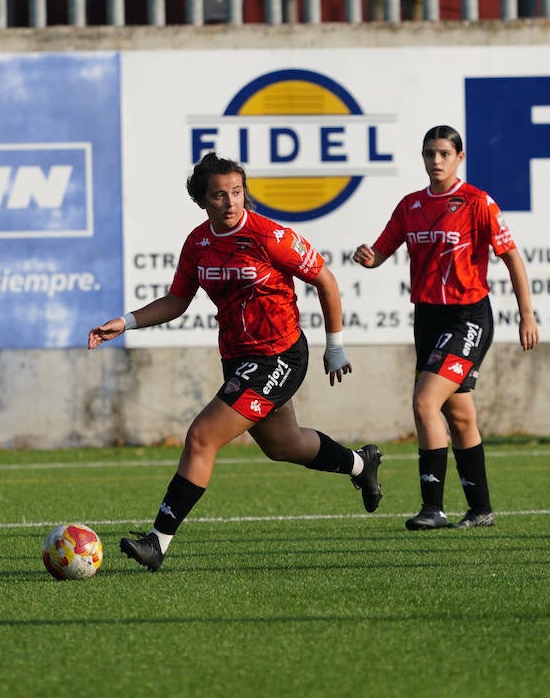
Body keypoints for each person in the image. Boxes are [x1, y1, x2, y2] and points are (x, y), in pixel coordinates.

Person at [88, 153, 381, 571]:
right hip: (238, 357)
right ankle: (360, 462)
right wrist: (127, 322)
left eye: (237, 192)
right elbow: (177, 301)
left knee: (201, 437)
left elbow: (325, 281)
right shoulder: (198, 243)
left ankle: (158, 542)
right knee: (284, 445)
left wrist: (336, 346)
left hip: (279, 355)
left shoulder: (271, 236)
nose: (230, 202)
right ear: (203, 201)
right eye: (219, 195)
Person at [353, 125, 539, 531]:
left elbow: (512, 260)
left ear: (460, 157)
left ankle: (432, 509)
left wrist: (527, 314)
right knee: (460, 416)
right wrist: (367, 256)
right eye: (429, 153)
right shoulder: (410, 205)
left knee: (424, 402)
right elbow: (380, 253)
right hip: (428, 318)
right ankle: (481, 510)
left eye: (443, 153)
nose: (435, 161)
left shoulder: (477, 203)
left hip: (467, 317)